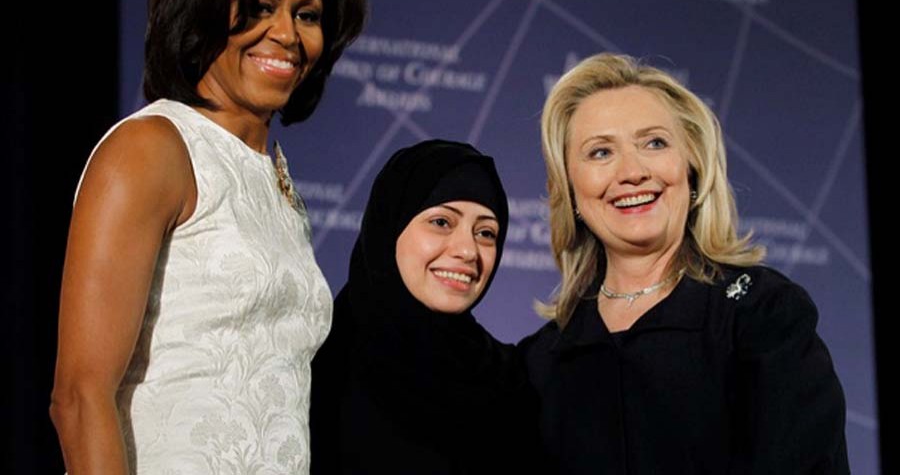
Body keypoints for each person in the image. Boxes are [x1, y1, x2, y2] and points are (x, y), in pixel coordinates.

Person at [50, 0, 367, 474]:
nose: (287, 35)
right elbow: (79, 395)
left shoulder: (277, 181)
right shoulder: (151, 149)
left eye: (308, 13)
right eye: (260, 4)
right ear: (201, 0)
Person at [521, 53, 848, 474]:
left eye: (654, 143)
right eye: (601, 152)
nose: (632, 171)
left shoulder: (763, 316)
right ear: (569, 189)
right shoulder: (542, 363)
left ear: (691, 167)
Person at [310, 139, 542, 474]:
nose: (467, 250)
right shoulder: (317, 370)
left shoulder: (511, 381)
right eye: (442, 222)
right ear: (390, 227)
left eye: (486, 233)